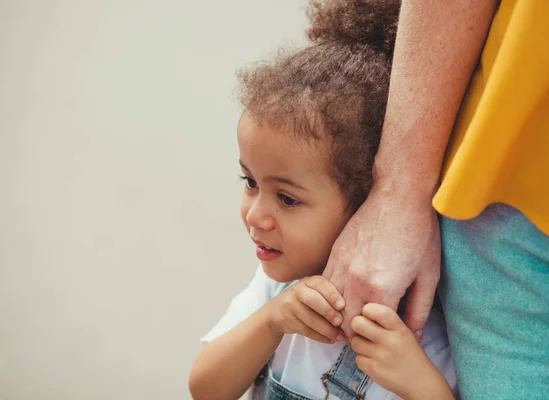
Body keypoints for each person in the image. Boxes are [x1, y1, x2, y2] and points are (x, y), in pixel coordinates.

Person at [323, 0, 549, 398]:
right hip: (531, 206)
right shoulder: (280, 297)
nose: (255, 217)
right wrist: (399, 188)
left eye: (287, 198)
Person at [188, 1, 457, 398]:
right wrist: (270, 323)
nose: (256, 216)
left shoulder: (420, 336)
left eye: (287, 198)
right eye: (249, 182)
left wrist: (422, 385)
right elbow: (206, 389)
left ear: (368, 206)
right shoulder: (272, 294)